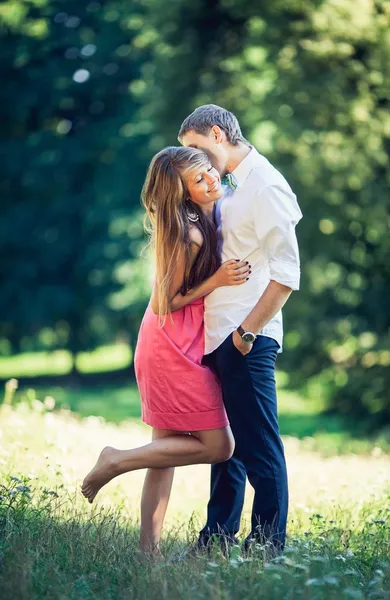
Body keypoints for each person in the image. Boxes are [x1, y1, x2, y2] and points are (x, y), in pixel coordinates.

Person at [81, 146, 251, 555]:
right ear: (183, 194)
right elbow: (162, 302)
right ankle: (116, 459)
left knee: (164, 455)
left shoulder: (208, 210)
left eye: (209, 169)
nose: (211, 179)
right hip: (170, 344)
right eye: (199, 179)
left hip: (184, 340)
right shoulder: (189, 234)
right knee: (221, 446)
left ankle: (147, 556)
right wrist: (218, 281)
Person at [178, 104, 302, 553]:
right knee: (226, 449)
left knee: (258, 445)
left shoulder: (266, 186)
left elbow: (288, 273)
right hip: (220, 333)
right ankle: (217, 538)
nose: (191, 158)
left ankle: (268, 545)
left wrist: (247, 333)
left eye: (195, 147)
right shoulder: (229, 186)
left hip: (247, 335)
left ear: (217, 133)